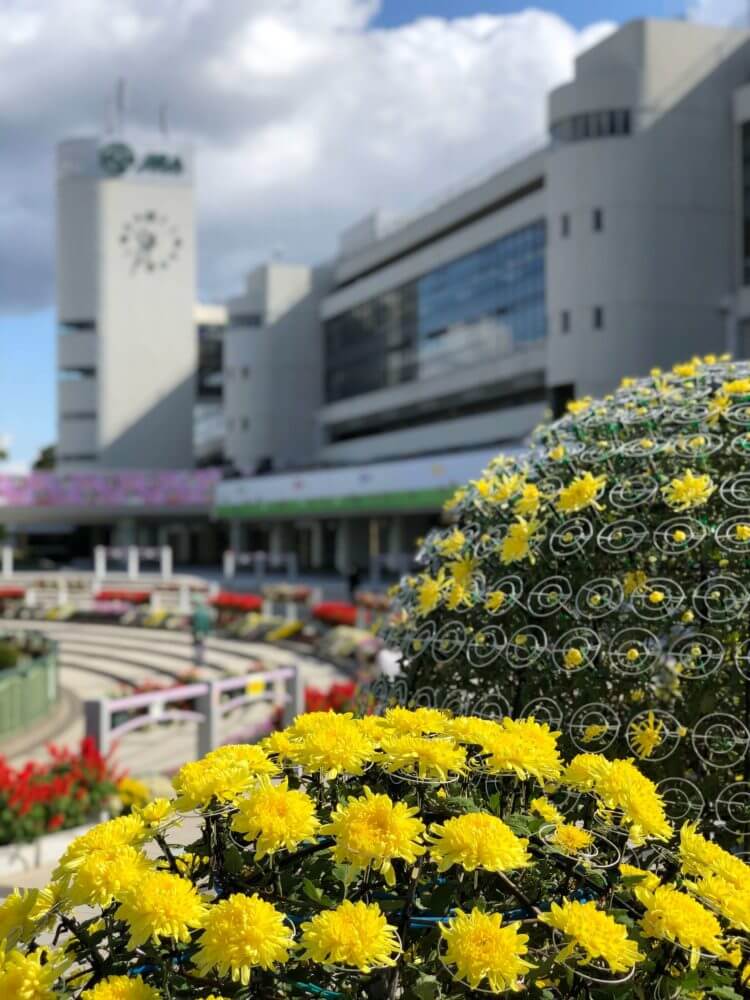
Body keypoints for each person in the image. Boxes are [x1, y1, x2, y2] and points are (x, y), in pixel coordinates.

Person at [191, 600, 214, 667]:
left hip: (198, 632)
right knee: (202, 645)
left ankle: (199, 660)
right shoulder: (206, 613)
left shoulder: (197, 613)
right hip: (204, 632)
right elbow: (210, 623)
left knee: (198, 646)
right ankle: (201, 660)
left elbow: (193, 623)